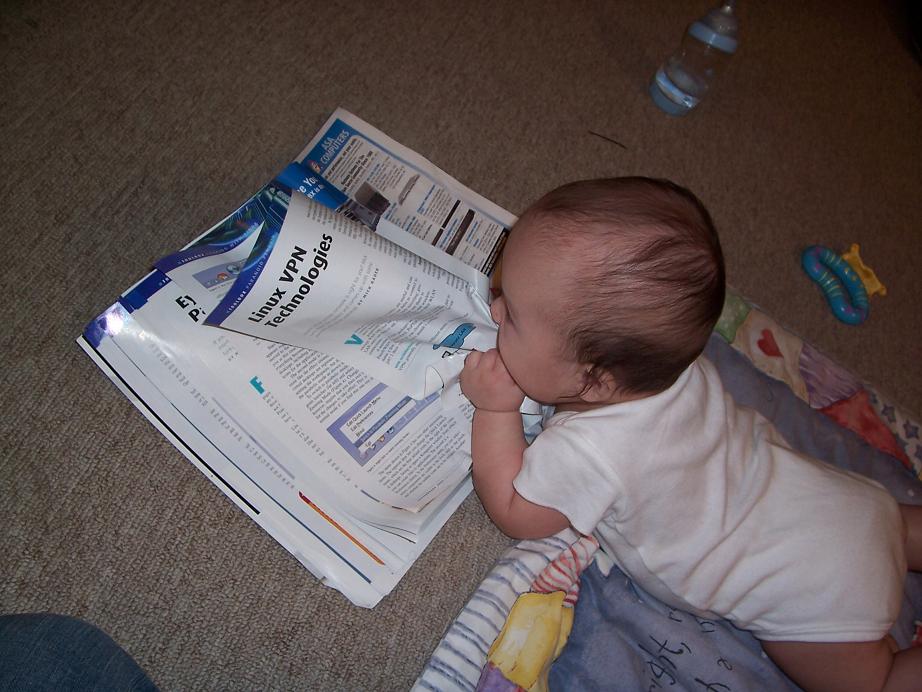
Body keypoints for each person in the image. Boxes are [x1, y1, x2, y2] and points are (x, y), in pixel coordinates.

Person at [459, 177, 922, 691]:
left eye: (512, 316)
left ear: (595, 380)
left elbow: (515, 511)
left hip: (818, 597)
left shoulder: (591, 451)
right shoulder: (672, 367)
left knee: (876, 683)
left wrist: (495, 409)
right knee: (903, 532)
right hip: (854, 508)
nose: (495, 308)